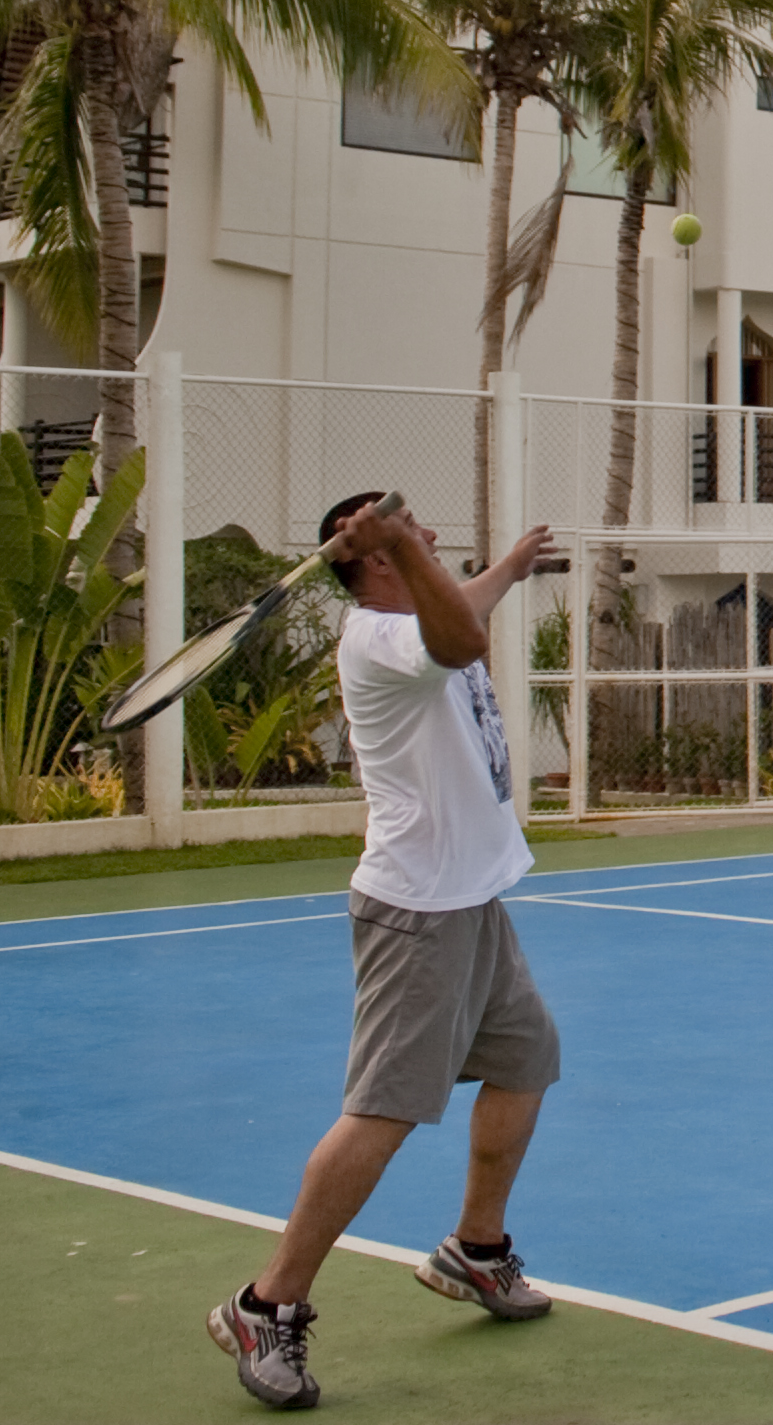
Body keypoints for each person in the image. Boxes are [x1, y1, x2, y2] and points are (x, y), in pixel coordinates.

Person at [209, 493, 560, 1411]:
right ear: (372, 561)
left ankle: (475, 1250)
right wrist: (404, 544)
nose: (431, 535)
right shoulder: (379, 638)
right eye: (411, 534)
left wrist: (510, 568)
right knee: (382, 1113)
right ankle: (266, 1304)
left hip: (473, 900)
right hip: (418, 912)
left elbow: (464, 608)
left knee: (525, 1063)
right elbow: (460, 640)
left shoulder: (421, 614)